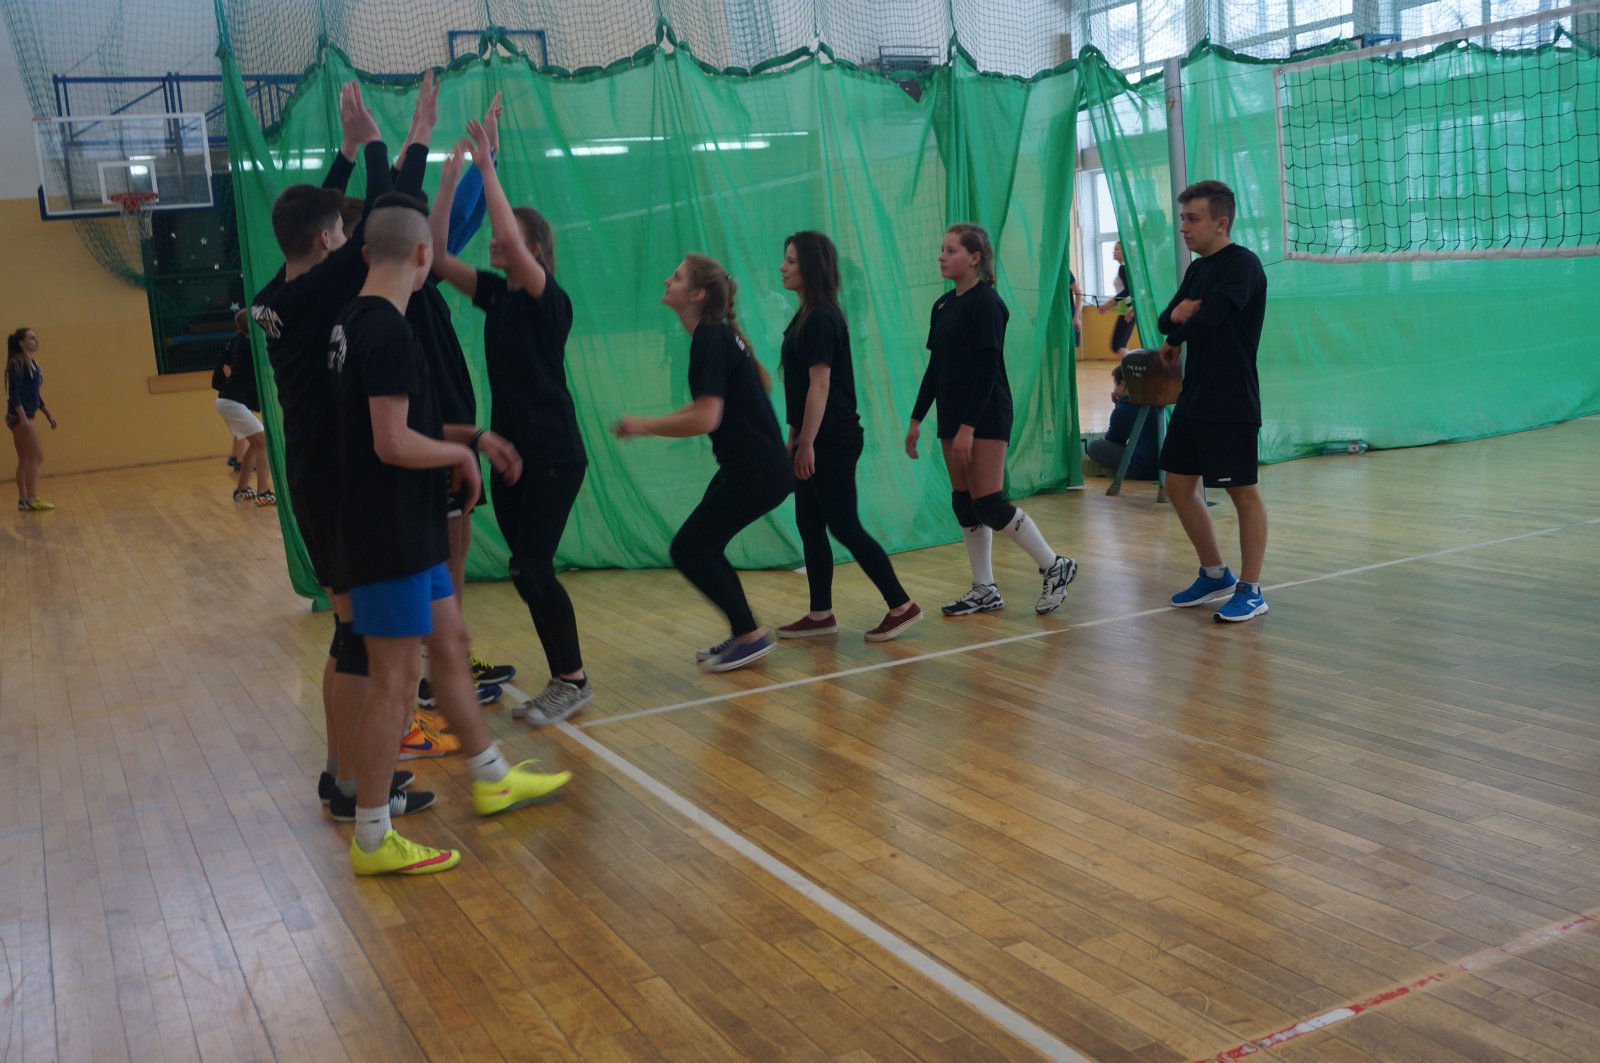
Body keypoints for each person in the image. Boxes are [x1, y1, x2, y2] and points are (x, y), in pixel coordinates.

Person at [331, 195, 570, 876]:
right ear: (421, 253)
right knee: (396, 679)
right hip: (389, 533)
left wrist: (473, 437)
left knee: (452, 644)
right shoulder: (386, 330)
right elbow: (392, 441)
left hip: (407, 526)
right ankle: (373, 836)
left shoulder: (357, 321)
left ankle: (491, 775)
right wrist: (460, 455)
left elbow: (407, 424)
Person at [252, 79, 439, 817]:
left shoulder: (274, 297)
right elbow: (390, 220)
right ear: (333, 242)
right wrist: (394, 144)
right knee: (362, 641)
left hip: (310, 477)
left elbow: (316, 222)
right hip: (334, 485)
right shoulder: (322, 293)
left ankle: (339, 774)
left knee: (346, 637)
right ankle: (358, 787)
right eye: (339, 230)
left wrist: (344, 152)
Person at [429, 119, 593, 725]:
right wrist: (451, 182)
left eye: (508, 239)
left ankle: (572, 680)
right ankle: (565, 678)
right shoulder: (497, 296)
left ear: (534, 250)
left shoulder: (551, 301)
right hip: (510, 455)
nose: (495, 244)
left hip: (553, 454)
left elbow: (509, 238)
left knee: (532, 566)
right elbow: (437, 257)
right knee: (524, 570)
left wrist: (488, 166)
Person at [614, 255, 792, 673]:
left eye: (676, 277)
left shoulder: (711, 338)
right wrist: (652, 422)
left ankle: (750, 635)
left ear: (697, 294)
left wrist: (644, 426)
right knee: (703, 546)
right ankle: (745, 631)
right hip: (753, 469)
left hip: (757, 473)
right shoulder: (718, 335)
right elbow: (717, 402)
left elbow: (706, 418)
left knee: (689, 549)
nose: (666, 280)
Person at [905, 224, 1078, 616]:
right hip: (952, 415)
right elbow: (935, 368)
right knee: (964, 504)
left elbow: (987, 370)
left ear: (974, 258)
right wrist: (917, 418)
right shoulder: (943, 305)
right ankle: (984, 589)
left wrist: (969, 427)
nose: (942, 256)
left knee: (987, 503)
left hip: (985, 415)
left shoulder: (987, 304)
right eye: (942, 249)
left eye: (951, 250)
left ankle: (1055, 566)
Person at [774, 231, 921, 642]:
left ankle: (902, 605)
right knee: (809, 523)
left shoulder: (822, 317)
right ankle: (820, 613)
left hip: (832, 439)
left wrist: (807, 443)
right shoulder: (805, 316)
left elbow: (820, 386)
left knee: (843, 524)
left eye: (791, 260)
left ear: (811, 267)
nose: (782, 267)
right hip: (813, 436)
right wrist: (794, 435)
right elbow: (799, 388)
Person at [1157, 179, 1270, 622]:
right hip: (1195, 397)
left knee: (1242, 491)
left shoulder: (1243, 265)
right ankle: (1214, 573)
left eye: (1193, 219)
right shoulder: (1196, 270)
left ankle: (1252, 590)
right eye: (1182, 218)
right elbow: (1167, 317)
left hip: (1231, 400)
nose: (1183, 227)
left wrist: (1176, 336)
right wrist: (1175, 321)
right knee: (1178, 485)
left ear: (1221, 223)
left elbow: (1214, 316)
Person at [215, 310, 276, 505]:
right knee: (264, 442)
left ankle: (241, 489)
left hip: (228, 401)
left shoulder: (244, 341)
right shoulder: (250, 347)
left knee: (256, 444)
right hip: (232, 402)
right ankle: (264, 492)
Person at [6, 328, 56, 511]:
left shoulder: (32, 364)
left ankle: (24, 501)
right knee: (37, 456)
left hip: (20, 416)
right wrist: (23, 418)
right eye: (32, 338)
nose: (36, 341)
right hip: (20, 417)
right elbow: (14, 394)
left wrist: (48, 413)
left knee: (25, 459)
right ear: (21, 343)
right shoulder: (18, 364)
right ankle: (33, 499)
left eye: (36, 337)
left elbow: (34, 395)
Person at [1084, 365, 1160, 481]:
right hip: (1164, 468)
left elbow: (1113, 440)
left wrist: (1117, 406)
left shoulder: (1123, 409)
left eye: (1115, 385)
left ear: (1122, 385)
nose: (1114, 390)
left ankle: (1115, 471)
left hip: (1143, 469)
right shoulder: (1156, 399)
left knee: (1093, 447)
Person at [1097, 241, 1136, 357]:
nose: (1113, 252)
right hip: (1126, 310)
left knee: (1117, 345)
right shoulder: (1125, 268)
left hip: (1127, 311)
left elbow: (1128, 291)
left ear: (1125, 252)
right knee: (1120, 345)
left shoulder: (1123, 268)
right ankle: (1129, 366)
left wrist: (1107, 305)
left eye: (1116, 249)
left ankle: (1134, 365)